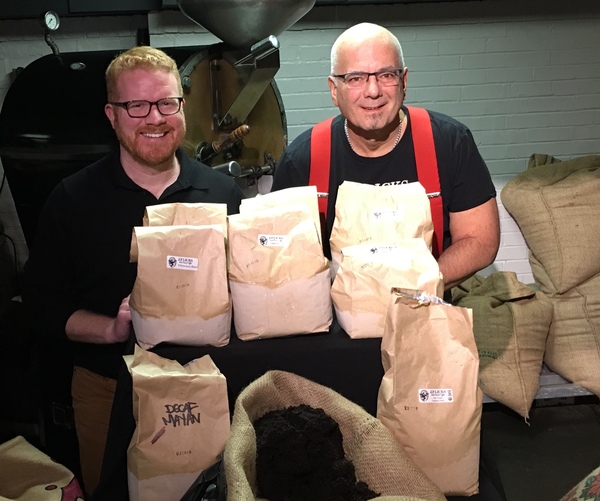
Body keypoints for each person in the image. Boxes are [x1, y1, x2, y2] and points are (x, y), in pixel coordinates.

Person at [23, 46, 244, 496]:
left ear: (182, 106)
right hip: (107, 389)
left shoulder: (220, 191)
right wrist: (109, 329)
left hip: (206, 381)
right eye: (136, 106)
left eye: (166, 103)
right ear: (112, 114)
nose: (154, 118)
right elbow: (42, 307)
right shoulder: (73, 200)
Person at [272, 22, 500, 291]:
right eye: (355, 78)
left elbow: (480, 239)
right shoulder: (302, 160)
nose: (373, 91)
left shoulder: (450, 143)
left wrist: (418, 285)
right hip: (331, 321)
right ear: (334, 90)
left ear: (404, 82)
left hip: (425, 309)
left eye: (386, 75)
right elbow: (280, 257)